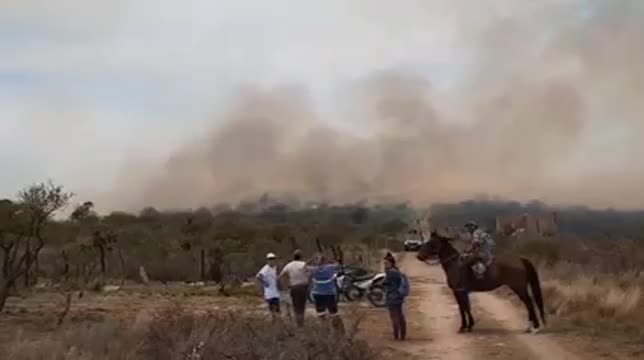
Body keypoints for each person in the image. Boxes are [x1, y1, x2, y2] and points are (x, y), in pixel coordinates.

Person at [307, 254, 345, 333]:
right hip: (329, 293)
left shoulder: (313, 269)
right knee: (334, 313)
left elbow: (304, 266)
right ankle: (338, 331)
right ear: (324, 261)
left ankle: (325, 331)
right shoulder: (329, 268)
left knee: (321, 314)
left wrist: (311, 258)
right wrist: (329, 259)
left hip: (317, 294)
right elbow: (338, 264)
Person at [279, 249, 309, 327]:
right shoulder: (303, 264)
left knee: (296, 307)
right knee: (302, 306)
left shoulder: (289, 265)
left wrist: (285, 285)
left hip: (294, 287)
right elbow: (309, 273)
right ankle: (301, 324)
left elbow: (281, 275)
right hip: (303, 287)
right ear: (301, 256)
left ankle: (298, 324)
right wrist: (308, 281)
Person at [461, 221, 496, 286]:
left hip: (483, 252)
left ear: (474, 227)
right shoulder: (481, 232)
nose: (468, 228)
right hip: (490, 252)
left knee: (464, 262)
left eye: (470, 226)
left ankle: (468, 281)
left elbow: (475, 243)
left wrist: (467, 251)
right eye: (468, 227)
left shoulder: (475, 233)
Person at [383, 254, 407, 341]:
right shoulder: (397, 271)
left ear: (391, 263)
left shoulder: (390, 273)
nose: (385, 265)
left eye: (386, 263)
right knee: (400, 315)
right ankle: (403, 335)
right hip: (399, 296)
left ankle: (396, 335)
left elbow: (384, 283)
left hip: (392, 296)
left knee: (394, 316)